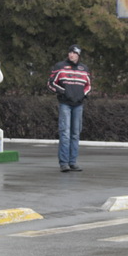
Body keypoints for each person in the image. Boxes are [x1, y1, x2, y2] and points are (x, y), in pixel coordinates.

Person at [47, 44, 92, 172]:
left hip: (78, 105)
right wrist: (63, 92)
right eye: (70, 52)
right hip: (65, 104)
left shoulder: (84, 69)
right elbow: (51, 83)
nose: (71, 55)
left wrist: (82, 95)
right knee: (65, 133)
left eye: (74, 53)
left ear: (78, 55)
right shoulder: (60, 66)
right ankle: (64, 163)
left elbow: (88, 86)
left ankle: (73, 162)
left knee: (75, 134)